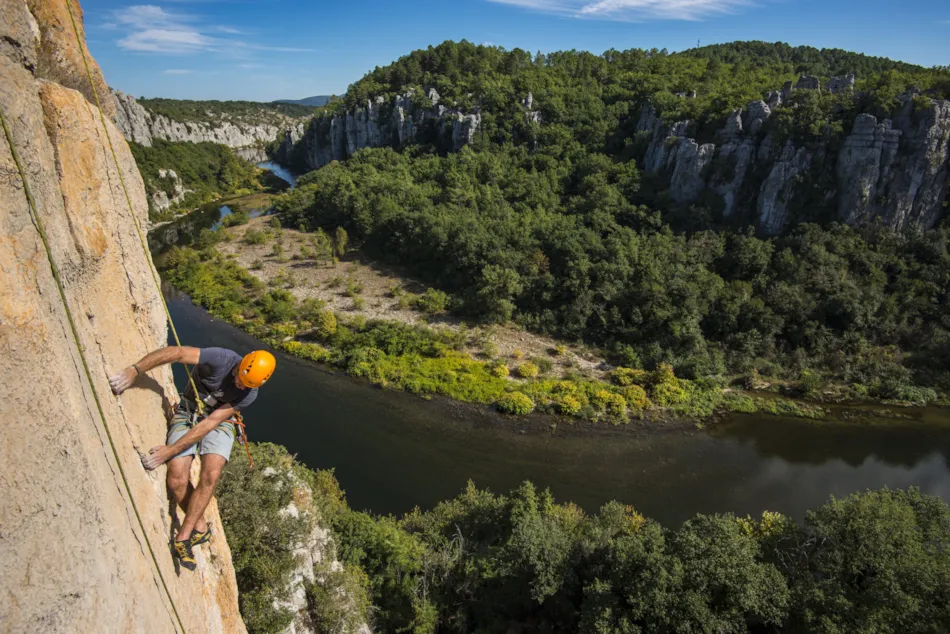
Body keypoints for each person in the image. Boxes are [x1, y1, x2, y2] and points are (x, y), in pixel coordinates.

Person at [109, 346, 275, 571]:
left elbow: (211, 423)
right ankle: (200, 527)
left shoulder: (249, 393)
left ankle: (183, 537)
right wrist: (135, 371)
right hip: (188, 411)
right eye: (240, 380)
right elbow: (177, 353)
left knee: (211, 475)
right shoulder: (220, 358)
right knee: (176, 479)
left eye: (247, 385)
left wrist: (170, 450)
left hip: (220, 422)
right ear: (239, 366)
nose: (240, 386)